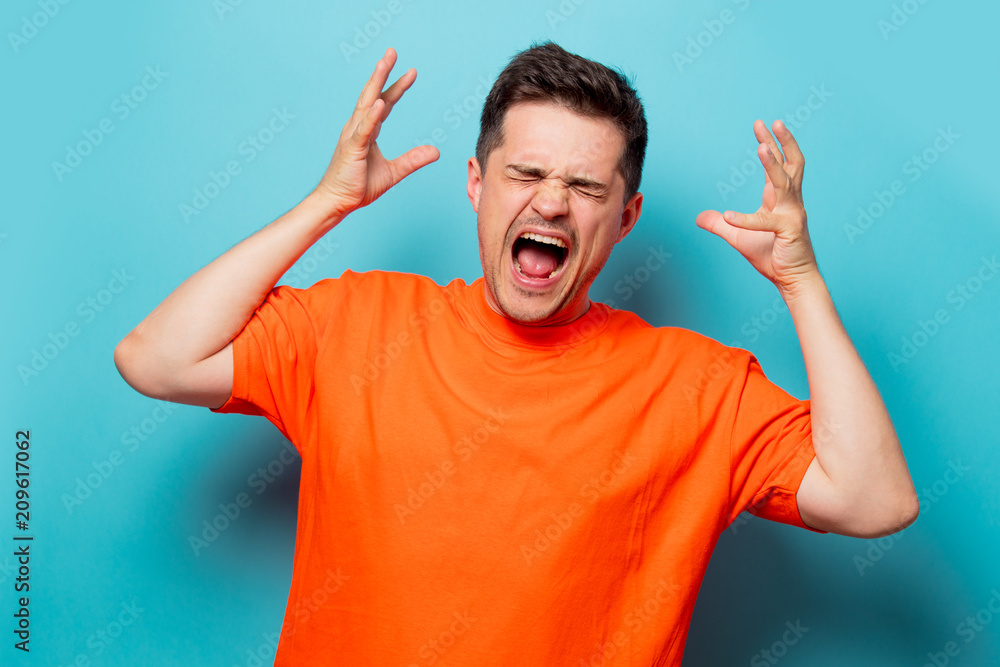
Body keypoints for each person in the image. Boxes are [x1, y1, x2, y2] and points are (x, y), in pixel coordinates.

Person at [114, 41, 919, 666]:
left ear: (626, 217)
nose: (551, 202)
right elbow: (158, 358)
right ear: (477, 182)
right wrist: (326, 205)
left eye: (588, 187)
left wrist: (801, 283)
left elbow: (874, 499)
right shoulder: (355, 322)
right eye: (526, 171)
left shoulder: (696, 385)